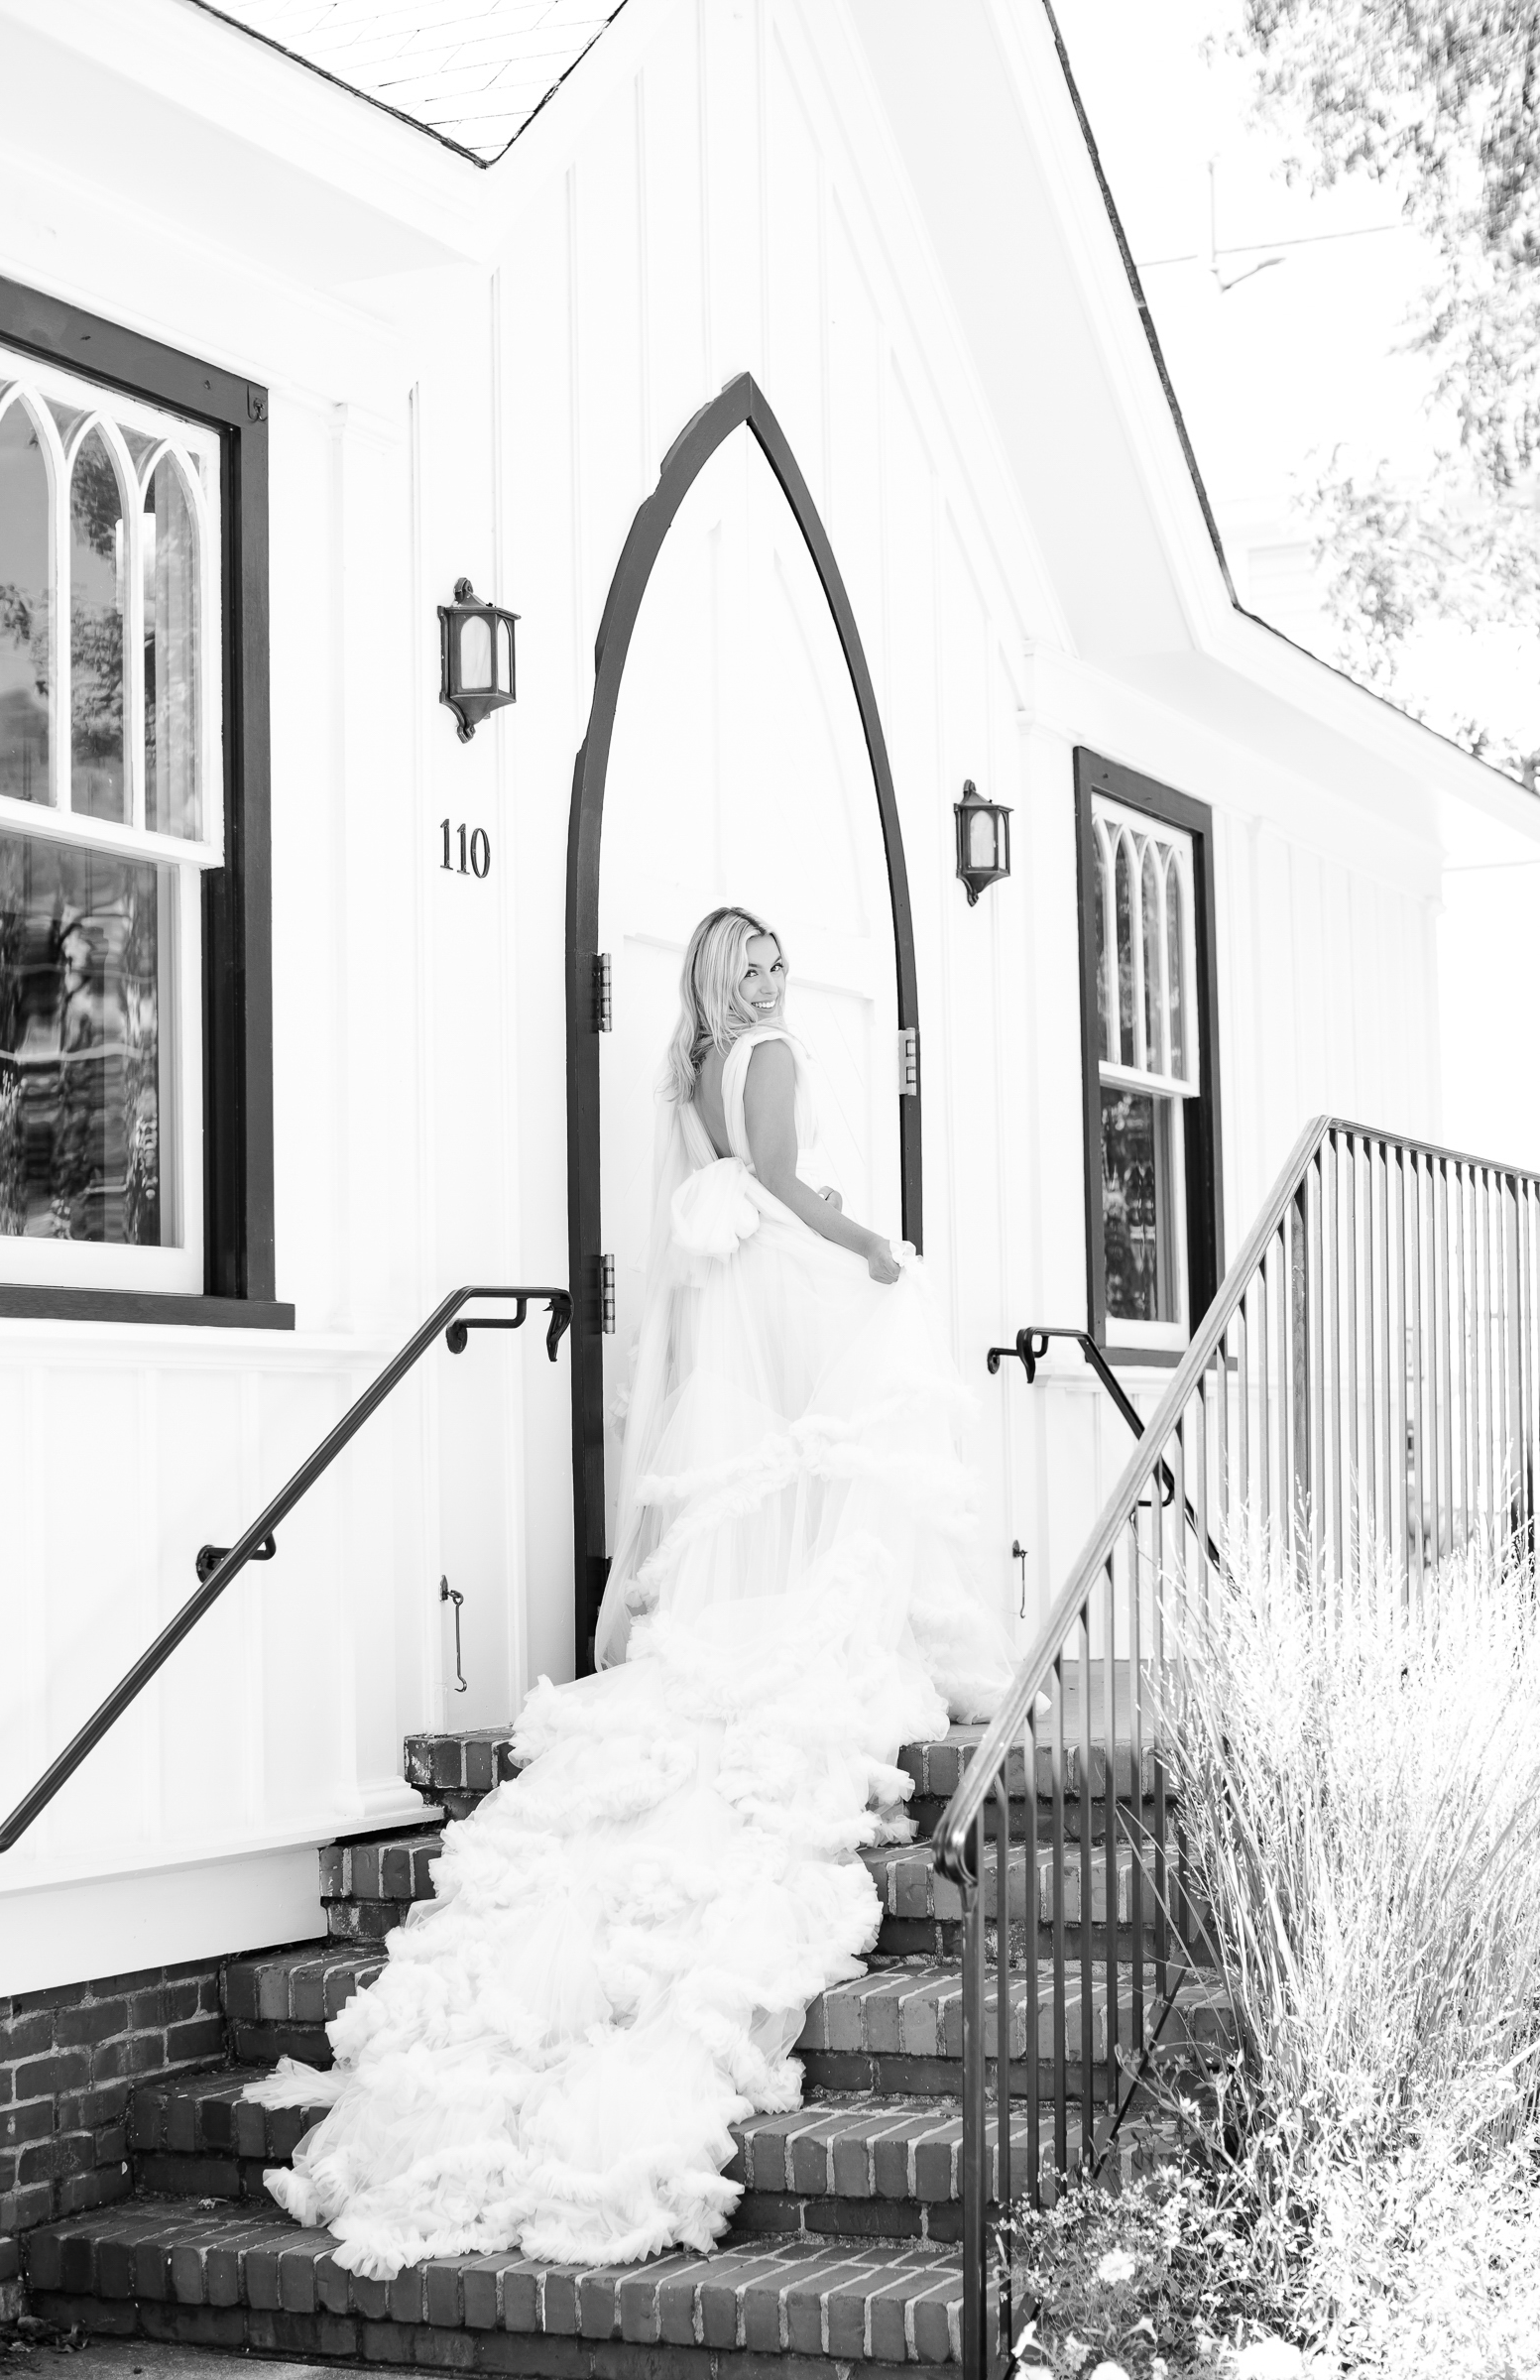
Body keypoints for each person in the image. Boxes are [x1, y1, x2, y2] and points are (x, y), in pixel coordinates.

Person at [247, 904, 1012, 2277]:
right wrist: (873, 1248)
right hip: (793, 1285)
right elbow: (782, 1187)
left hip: (743, 1315)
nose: (776, 982)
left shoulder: (692, 1070)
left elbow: (735, 1182)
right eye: (758, 966)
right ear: (733, 984)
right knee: (849, 1463)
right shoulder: (771, 1057)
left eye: (780, 961)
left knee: (780, 1493)